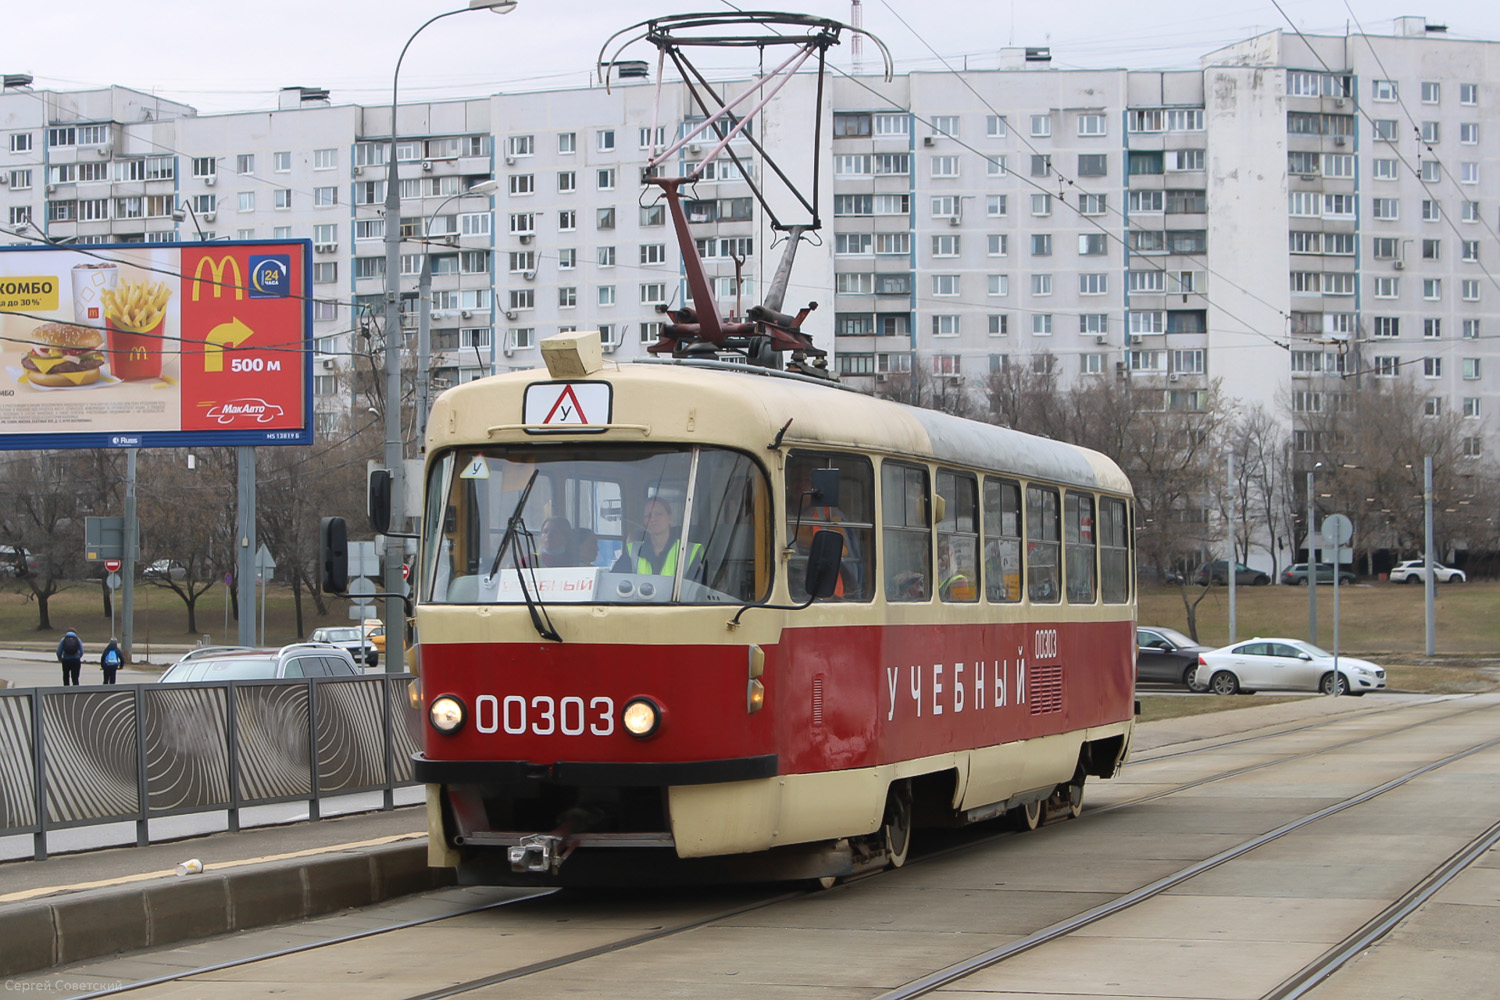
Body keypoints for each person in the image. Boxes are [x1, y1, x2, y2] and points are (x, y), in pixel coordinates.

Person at [613, 497, 702, 577]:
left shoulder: (689, 553)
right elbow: (615, 581)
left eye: (658, 514)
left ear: (670, 518)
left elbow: (697, 590)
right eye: (648, 515)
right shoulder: (633, 551)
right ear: (644, 521)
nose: (653, 519)